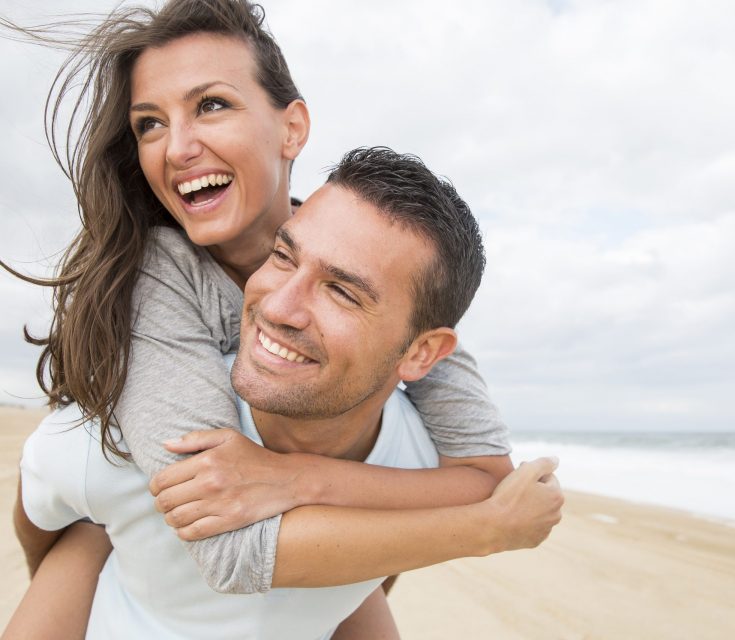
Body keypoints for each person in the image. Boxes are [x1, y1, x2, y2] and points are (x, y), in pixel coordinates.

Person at [0, 0, 551, 634]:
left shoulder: (368, 253)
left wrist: (295, 478)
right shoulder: (158, 280)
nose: (177, 147)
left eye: (211, 105)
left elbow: (485, 475)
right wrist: (483, 532)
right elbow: (223, 540)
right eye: (150, 123)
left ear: (292, 129)